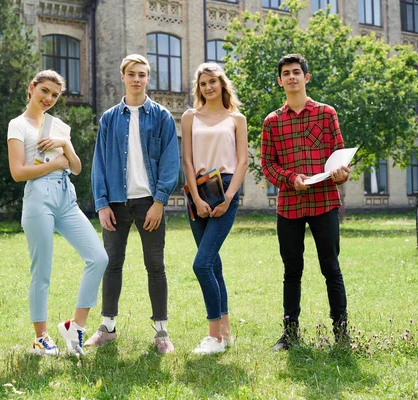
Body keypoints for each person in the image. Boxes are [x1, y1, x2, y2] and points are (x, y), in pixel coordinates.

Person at [7, 70, 108, 356]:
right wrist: (55, 164)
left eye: (54, 95)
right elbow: (18, 172)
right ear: (32, 88)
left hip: (67, 198)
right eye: (45, 91)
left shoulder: (59, 127)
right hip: (39, 198)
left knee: (98, 257)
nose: (49, 98)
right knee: (43, 271)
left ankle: (75, 326)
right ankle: (41, 337)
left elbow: (75, 167)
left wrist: (64, 145)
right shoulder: (18, 125)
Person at [88, 54, 180, 354]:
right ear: (123, 77)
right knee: (111, 264)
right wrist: (101, 203)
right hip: (115, 202)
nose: (137, 79)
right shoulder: (110, 118)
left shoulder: (162, 117)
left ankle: (161, 332)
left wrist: (160, 201)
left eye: (142, 74)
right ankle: (108, 327)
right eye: (132, 74)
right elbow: (99, 163)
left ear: (148, 78)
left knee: (155, 265)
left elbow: (170, 162)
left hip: (149, 202)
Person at [261, 54, 351, 350]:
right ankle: (289, 334)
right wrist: (290, 178)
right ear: (280, 81)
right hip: (289, 206)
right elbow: (268, 165)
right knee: (291, 270)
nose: (291, 77)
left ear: (306, 77)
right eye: (286, 73)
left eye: (296, 72)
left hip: (324, 202)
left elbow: (339, 157)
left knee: (331, 267)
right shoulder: (272, 122)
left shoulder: (326, 114)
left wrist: (341, 174)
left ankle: (341, 334)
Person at [181, 63, 248, 354]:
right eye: (203, 83)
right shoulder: (189, 117)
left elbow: (243, 160)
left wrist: (229, 198)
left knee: (202, 264)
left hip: (226, 188)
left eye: (213, 82)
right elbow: (187, 161)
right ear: (199, 87)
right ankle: (225, 331)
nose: (208, 87)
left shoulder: (236, 118)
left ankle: (214, 338)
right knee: (214, 264)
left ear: (222, 84)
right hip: (198, 191)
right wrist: (196, 198)